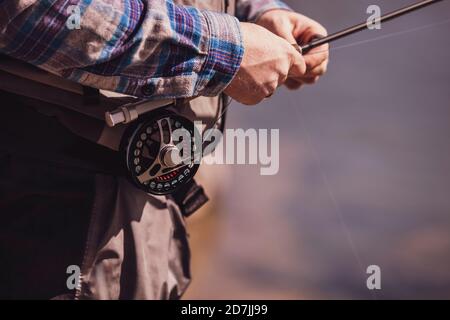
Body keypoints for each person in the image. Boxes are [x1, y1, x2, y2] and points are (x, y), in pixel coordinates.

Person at [0, 0, 329, 299]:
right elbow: (28, 13)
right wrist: (224, 50)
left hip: (140, 205)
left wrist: (257, 13)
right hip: (56, 208)